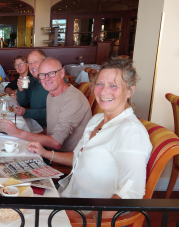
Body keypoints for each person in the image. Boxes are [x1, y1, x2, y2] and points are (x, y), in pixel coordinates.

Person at [26, 58, 152, 219]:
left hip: (87, 214)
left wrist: (84, 220)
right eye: (100, 84)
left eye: (113, 85)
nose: (104, 91)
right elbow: (79, 157)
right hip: (67, 198)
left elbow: (131, 195)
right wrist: (44, 153)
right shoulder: (96, 120)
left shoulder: (131, 132)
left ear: (129, 91)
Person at [0, 57, 92, 154]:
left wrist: (18, 133)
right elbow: (53, 126)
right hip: (47, 150)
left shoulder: (73, 100)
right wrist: (35, 136)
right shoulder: (51, 94)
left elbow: (56, 142)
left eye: (52, 73)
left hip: (63, 161)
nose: (47, 78)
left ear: (62, 73)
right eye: (42, 75)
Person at [14, 50, 49, 127]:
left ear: (45, 61)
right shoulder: (33, 80)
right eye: (30, 63)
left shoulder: (53, 81)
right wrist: (20, 89)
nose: (32, 66)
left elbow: (52, 111)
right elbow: (23, 103)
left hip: (47, 128)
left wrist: (26, 112)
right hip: (33, 122)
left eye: (35, 61)